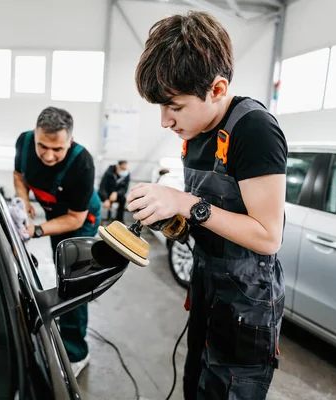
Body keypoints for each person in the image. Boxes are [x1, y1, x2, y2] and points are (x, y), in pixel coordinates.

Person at [128, 11, 287, 399]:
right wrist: (172, 218)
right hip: (207, 288)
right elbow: (211, 215)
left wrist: (185, 202)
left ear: (216, 89)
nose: (165, 121)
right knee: (195, 386)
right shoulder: (197, 130)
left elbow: (268, 238)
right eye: (160, 108)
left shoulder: (255, 130)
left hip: (245, 306)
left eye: (175, 107)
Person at [13, 106, 101, 377]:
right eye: (43, 147)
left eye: (57, 149)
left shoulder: (82, 163)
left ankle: (77, 353)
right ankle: (62, 328)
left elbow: (75, 219)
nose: (48, 156)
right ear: (35, 135)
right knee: (61, 274)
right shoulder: (24, 142)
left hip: (80, 223)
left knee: (74, 283)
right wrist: (24, 201)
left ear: (70, 141)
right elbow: (19, 176)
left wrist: (37, 230)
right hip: (54, 217)